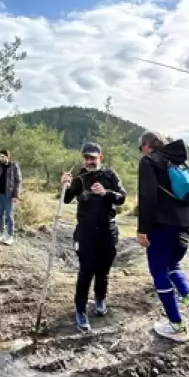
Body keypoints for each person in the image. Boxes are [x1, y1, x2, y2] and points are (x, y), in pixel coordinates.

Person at [136, 130, 189, 343]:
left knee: (159, 270)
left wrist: (143, 229)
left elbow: (147, 197)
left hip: (165, 224)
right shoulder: (179, 161)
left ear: (147, 145)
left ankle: (176, 326)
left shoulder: (149, 161)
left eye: (142, 148)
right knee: (173, 265)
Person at [61, 142, 126, 332]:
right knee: (86, 270)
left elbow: (122, 197)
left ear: (100, 158)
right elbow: (66, 199)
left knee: (103, 270)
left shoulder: (110, 175)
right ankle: (80, 310)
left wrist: (106, 193)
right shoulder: (80, 178)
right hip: (86, 232)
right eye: (87, 158)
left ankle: (100, 299)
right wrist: (64, 184)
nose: (89, 161)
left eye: (93, 158)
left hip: (108, 231)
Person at [0, 150, 22, 245]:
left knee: (9, 216)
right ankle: (2, 234)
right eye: (0, 156)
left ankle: (10, 236)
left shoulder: (14, 166)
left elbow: (18, 181)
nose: (0, 158)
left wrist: (16, 195)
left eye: (3, 156)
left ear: (7, 157)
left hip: (9, 195)